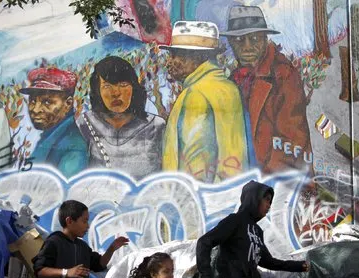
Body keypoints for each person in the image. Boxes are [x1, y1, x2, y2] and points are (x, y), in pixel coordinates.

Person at [223, 6, 312, 174]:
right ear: (231, 43)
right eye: (240, 40)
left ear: (265, 39)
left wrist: (262, 188)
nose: (247, 46)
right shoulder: (234, 79)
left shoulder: (283, 75)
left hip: (280, 185)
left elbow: (292, 143)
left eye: (254, 38)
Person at [160, 20, 249, 183]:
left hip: (199, 199)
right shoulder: (229, 88)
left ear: (196, 57)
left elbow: (194, 162)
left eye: (175, 55)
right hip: (230, 194)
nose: (169, 62)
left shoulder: (195, 94)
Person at [76, 56, 165, 180]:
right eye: (107, 86)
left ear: (133, 89)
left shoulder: (157, 126)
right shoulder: (84, 124)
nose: (115, 93)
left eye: (123, 84)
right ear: (98, 91)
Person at [21, 67, 89, 178]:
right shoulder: (51, 136)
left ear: (68, 104)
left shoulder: (73, 147)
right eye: (33, 101)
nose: (35, 109)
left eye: (47, 102)